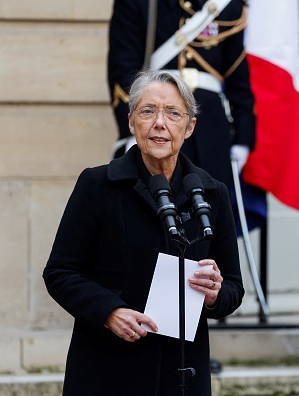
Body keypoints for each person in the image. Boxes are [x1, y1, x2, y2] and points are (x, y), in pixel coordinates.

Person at [43, 70, 244, 395]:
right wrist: (109, 312)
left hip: (181, 371)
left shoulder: (211, 192)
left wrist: (215, 295)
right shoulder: (97, 185)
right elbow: (61, 272)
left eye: (173, 113)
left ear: (189, 127)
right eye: (148, 111)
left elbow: (233, 286)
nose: (160, 123)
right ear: (132, 122)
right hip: (106, 369)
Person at [107, 0, 255, 200]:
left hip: (210, 131)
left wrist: (243, 139)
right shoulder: (140, 3)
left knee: (210, 216)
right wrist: (132, 128)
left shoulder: (226, 5)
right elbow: (123, 69)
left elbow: (239, 80)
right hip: (155, 125)